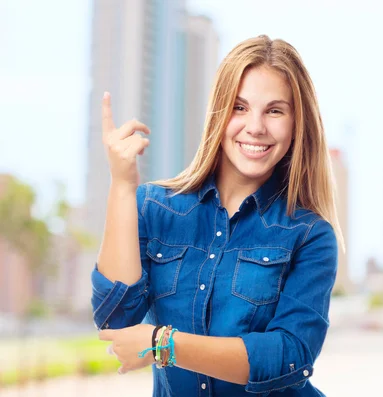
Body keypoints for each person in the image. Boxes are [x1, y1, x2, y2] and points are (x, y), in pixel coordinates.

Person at [91, 35, 342, 397]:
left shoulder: (309, 235)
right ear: (218, 113)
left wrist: (165, 343)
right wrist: (122, 186)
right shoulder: (153, 207)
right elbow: (116, 322)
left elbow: (289, 356)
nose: (255, 127)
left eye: (274, 110)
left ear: (296, 124)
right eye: (239, 107)